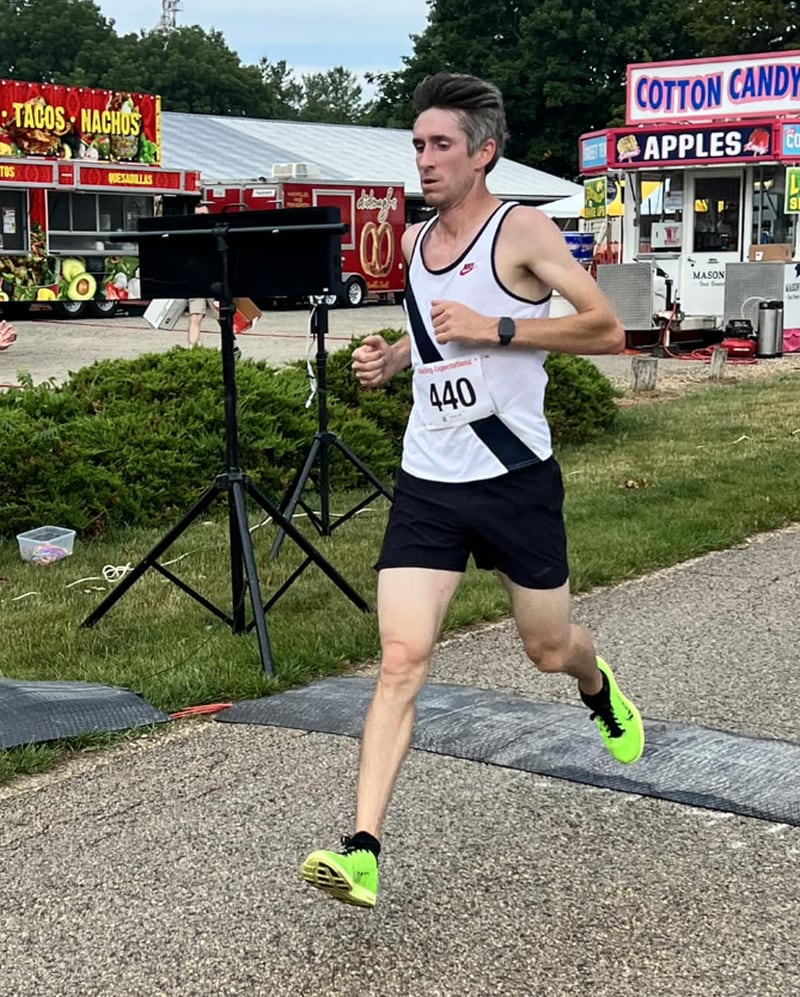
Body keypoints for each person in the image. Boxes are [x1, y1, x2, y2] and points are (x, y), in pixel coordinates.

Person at [300, 72, 644, 910]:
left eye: (440, 144)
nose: (424, 159)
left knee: (548, 646)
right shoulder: (418, 247)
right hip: (430, 480)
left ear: (482, 152)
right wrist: (394, 361)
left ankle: (597, 687)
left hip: (516, 480)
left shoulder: (520, 229)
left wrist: (499, 327)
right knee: (400, 658)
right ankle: (363, 849)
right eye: (417, 144)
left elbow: (607, 329)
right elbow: (438, 349)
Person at [187, 203, 212, 348]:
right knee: (195, 316)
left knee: (224, 317)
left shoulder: (216, 232)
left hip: (215, 281)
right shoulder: (190, 234)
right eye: (197, 215)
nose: (200, 218)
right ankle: (192, 348)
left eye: (203, 215)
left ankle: (231, 345)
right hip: (197, 281)